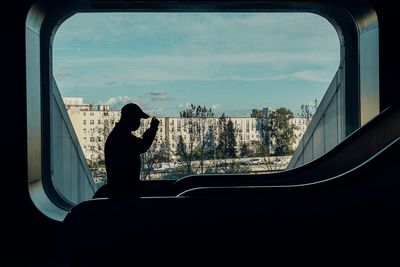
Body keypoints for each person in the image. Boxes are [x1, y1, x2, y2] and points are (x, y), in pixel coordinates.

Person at [104, 103, 159, 198]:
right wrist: (153, 129)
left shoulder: (119, 134)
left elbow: (140, 144)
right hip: (124, 195)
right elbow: (142, 145)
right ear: (130, 118)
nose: (139, 122)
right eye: (138, 119)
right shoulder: (121, 136)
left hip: (121, 193)